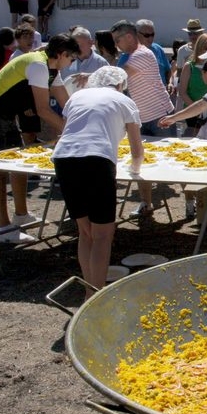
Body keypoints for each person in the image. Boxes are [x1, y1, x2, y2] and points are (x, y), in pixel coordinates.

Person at [52, 67, 143, 298]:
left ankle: (88, 292)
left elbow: (70, 131)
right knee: (103, 234)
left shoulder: (77, 96)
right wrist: (136, 169)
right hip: (97, 159)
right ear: (120, 84)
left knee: (85, 232)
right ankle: (97, 296)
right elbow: (136, 149)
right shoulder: (124, 100)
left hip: (64, 158)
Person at [0, 34, 79, 243]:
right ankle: (3, 228)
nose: (71, 63)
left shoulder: (52, 68)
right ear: (62, 54)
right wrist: (72, 131)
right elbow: (43, 110)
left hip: (6, 114)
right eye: (72, 59)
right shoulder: (38, 65)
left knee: (17, 163)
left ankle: (21, 215)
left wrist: (78, 122)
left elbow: (67, 104)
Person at [110, 20, 175, 218]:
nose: (116, 45)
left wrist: (88, 78)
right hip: (142, 117)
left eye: (117, 40)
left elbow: (116, 78)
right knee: (140, 162)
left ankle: (192, 201)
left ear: (129, 37)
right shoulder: (129, 55)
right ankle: (146, 203)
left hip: (160, 117)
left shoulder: (143, 54)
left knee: (174, 161)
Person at [176, 32, 207, 137]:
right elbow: (183, 92)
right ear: (199, 48)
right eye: (206, 48)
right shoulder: (189, 66)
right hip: (193, 111)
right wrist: (196, 110)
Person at [135, 19, 173, 87]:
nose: (150, 38)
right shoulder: (128, 53)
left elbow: (168, 70)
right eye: (146, 35)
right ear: (137, 34)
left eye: (152, 34)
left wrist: (170, 83)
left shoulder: (158, 49)